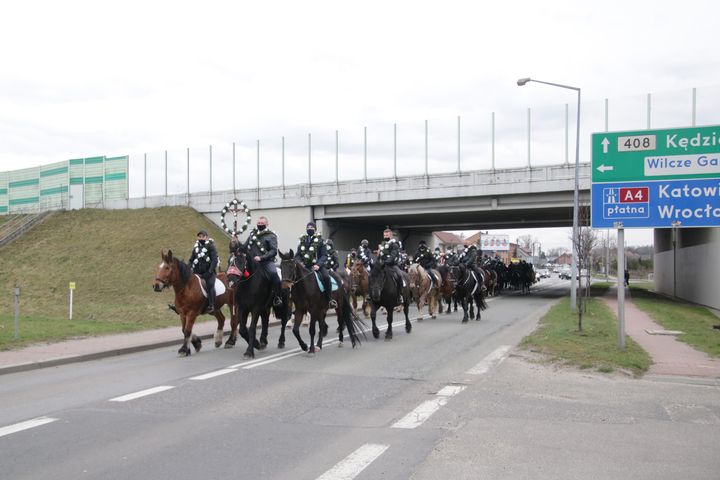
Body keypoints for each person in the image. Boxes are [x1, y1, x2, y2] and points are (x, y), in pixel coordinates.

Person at [242, 216, 283, 307]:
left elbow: (273, 251)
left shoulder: (271, 235)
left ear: (267, 224)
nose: (260, 225)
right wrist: (237, 246)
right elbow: (245, 246)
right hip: (251, 262)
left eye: (262, 223)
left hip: (266, 262)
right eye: (259, 223)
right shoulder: (252, 234)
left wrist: (261, 258)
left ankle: (277, 297)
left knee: (274, 273)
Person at [295, 221, 337, 308]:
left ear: (315, 230)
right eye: (308, 229)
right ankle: (294, 299)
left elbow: (324, 255)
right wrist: (300, 262)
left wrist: (318, 265)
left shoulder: (321, 241)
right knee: (294, 278)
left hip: (318, 266)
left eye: (311, 229)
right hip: (305, 266)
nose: (309, 230)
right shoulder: (302, 240)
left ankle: (329, 299)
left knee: (326, 277)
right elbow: (297, 255)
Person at [189, 229, 218, 312]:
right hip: (197, 272)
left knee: (210, 285)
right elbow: (191, 260)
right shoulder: (196, 248)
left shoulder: (211, 246)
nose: (201, 238)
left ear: (206, 237)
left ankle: (211, 305)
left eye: (203, 236)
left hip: (208, 273)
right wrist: (188, 268)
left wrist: (210, 271)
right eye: (199, 237)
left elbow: (214, 260)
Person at [378, 228, 405, 304]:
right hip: (382, 265)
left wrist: (386, 262)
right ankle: (371, 294)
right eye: (384, 235)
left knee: (400, 276)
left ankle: (400, 295)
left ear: (391, 235)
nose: (385, 236)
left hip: (392, 265)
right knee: (373, 275)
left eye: (387, 235)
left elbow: (393, 255)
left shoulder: (395, 244)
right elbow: (380, 255)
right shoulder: (382, 244)